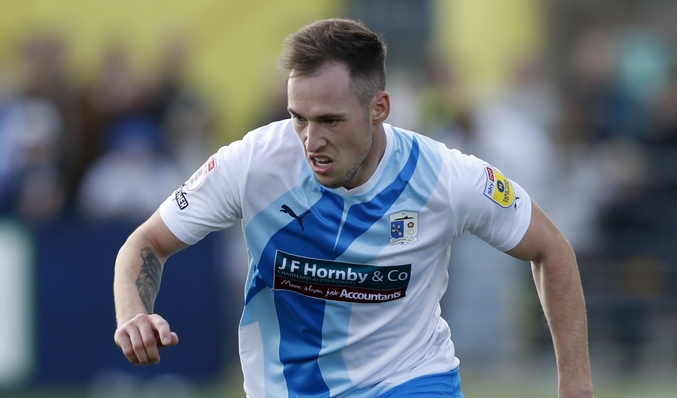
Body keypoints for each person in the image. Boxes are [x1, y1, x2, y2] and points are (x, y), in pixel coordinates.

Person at [113, 18, 594, 398]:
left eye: (330, 120)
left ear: (379, 107)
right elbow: (147, 241)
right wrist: (133, 312)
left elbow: (552, 249)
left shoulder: (447, 177)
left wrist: (575, 387)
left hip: (411, 379)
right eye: (298, 118)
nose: (311, 141)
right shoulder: (253, 162)